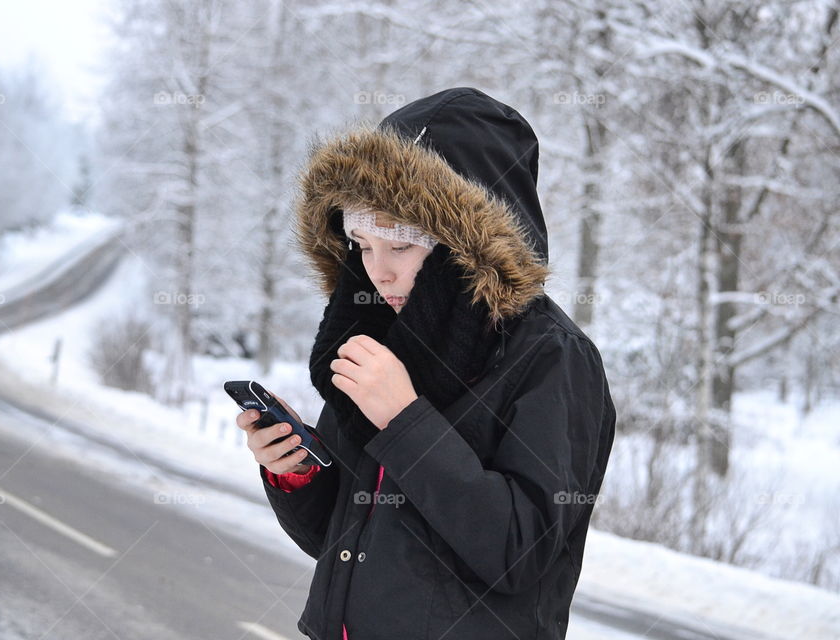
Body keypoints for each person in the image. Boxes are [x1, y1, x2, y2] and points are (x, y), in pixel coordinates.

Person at [236, 86, 616, 640]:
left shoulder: (553, 356)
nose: (378, 272)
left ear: (467, 242)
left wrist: (405, 420)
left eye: (401, 245)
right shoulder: (380, 335)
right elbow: (340, 541)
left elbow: (520, 553)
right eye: (362, 245)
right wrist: (296, 471)